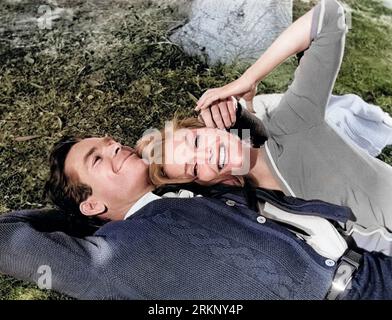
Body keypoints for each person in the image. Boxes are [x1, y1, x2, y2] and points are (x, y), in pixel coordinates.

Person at [0, 0, 391, 300]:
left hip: (369, 269)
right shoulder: (117, 255)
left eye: (109, 143)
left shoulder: (256, 150)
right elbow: (14, 245)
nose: (114, 148)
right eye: (97, 159)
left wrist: (246, 89)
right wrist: (62, 217)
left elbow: (328, 18)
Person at [143, 0, 392, 256]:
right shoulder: (248, 211)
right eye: (194, 168)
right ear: (202, 183)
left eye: (195, 142)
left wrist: (247, 79)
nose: (204, 155)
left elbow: (329, 16)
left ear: (208, 126)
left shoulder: (290, 124)